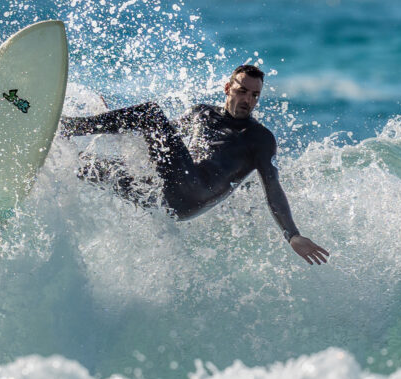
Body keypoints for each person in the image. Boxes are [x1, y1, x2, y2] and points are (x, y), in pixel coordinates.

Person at [58, 64, 330, 265]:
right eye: (242, 91)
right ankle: (52, 158)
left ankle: (68, 126)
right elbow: (160, 139)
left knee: (150, 113)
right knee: (90, 167)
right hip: (166, 195)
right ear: (228, 88)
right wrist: (113, 120)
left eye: (255, 95)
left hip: (193, 194)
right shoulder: (201, 113)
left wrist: (292, 234)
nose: (248, 100)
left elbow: (272, 187)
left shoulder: (259, 139)